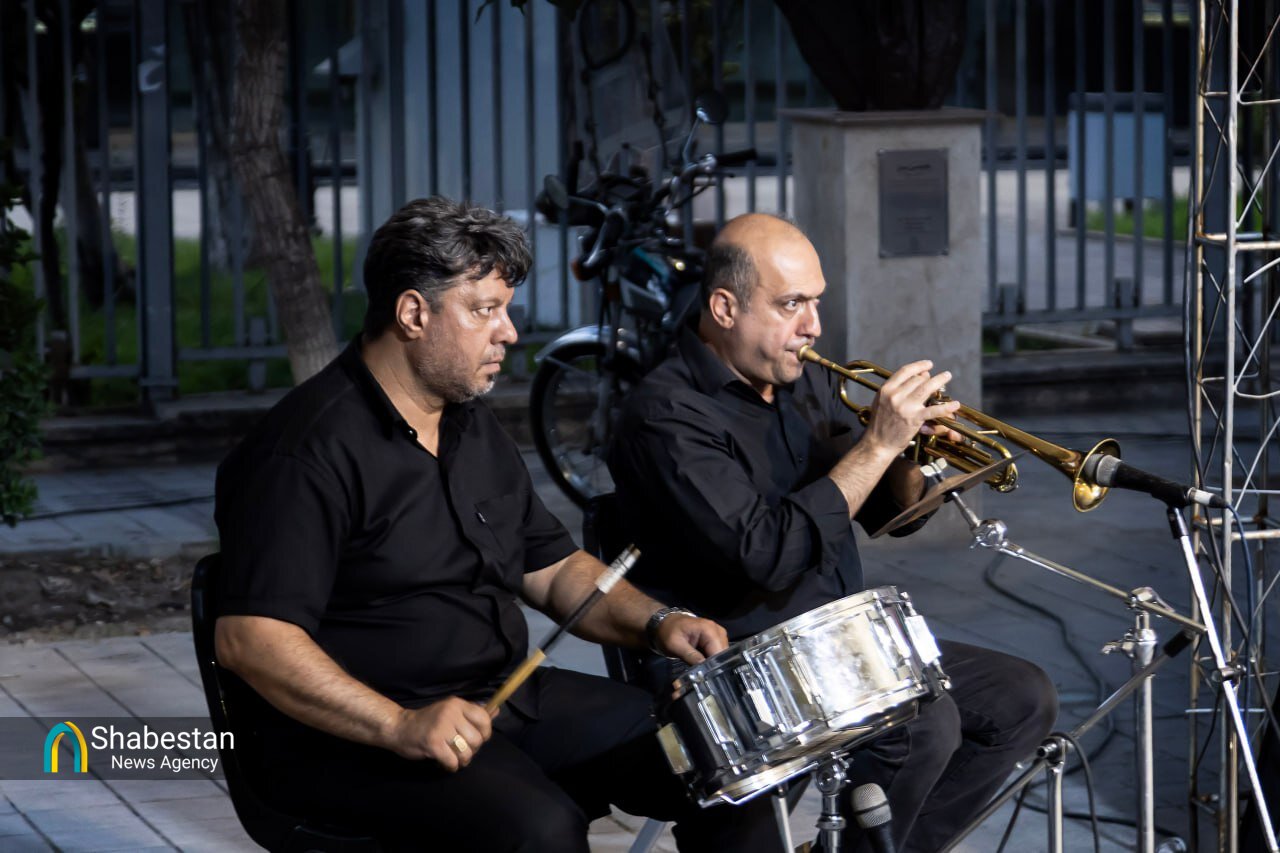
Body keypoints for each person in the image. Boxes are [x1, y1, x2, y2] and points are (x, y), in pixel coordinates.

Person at [213, 197, 782, 852]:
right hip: (361, 737)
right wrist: (399, 724)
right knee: (540, 830)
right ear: (413, 314)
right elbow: (251, 639)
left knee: (726, 757)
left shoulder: (468, 423)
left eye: (505, 309)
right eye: (484, 310)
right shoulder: (302, 452)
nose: (508, 332)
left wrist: (658, 622)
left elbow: (554, 570)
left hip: (505, 699)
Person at [607, 212, 1059, 852]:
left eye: (816, 302)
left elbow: (881, 514)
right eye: (791, 304)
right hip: (737, 669)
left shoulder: (804, 380)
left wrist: (908, 455)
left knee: (1022, 697)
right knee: (923, 727)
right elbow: (766, 555)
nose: (813, 326)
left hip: (837, 650)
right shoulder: (668, 414)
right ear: (725, 308)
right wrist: (876, 446)